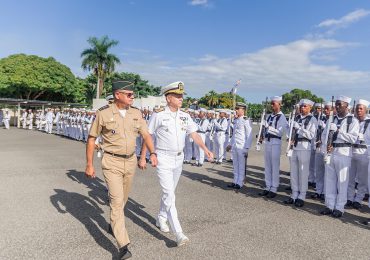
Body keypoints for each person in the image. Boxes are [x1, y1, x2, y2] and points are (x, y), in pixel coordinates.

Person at [85, 80, 157, 260]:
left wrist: (152, 153)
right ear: (118, 95)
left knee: (123, 199)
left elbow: (146, 135)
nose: (133, 97)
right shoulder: (103, 113)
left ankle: (114, 223)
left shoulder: (136, 113)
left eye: (133, 94)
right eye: (129, 94)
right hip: (111, 162)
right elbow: (92, 139)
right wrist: (89, 164)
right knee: (117, 201)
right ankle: (123, 246)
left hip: (130, 161)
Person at [139, 81, 213, 247]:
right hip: (163, 158)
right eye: (178, 96)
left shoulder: (185, 116)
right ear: (168, 98)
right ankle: (179, 233)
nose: (181, 99)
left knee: (169, 192)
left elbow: (194, 134)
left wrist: (205, 149)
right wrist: (143, 156)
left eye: (181, 96)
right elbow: (148, 135)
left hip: (179, 158)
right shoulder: (158, 115)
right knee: (170, 194)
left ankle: (161, 218)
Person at [320, 95, 359, 218]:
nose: (337, 107)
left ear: (346, 106)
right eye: (336, 104)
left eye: (339, 105)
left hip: (343, 153)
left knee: (342, 183)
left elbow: (353, 138)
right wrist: (325, 149)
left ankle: (339, 207)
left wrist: (338, 132)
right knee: (329, 181)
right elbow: (324, 136)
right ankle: (329, 205)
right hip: (331, 152)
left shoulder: (352, 121)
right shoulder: (332, 119)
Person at [284, 99, 317, 207]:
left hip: (304, 147)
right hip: (294, 147)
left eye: (305, 106)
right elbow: (290, 132)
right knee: (294, 172)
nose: (302, 108)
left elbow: (311, 135)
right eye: (301, 106)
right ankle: (294, 194)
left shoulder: (312, 119)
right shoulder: (296, 117)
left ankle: (302, 195)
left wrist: (299, 129)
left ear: (310, 108)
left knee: (303, 173)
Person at [258, 96, 288, 198]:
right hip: (268, 142)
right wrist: (262, 134)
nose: (271, 105)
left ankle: (274, 188)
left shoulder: (282, 117)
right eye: (271, 103)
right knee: (267, 166)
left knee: (275, 166)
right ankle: (267, 186)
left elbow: (280, 132)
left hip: (275, 142)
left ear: (279, 104)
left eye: (273, 104)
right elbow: (265, 128)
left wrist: (268, 128)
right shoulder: (269, 116)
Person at [346, 99, 369, 210]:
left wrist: (363, 138)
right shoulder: (352, 121)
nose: (358, 111)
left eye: (361, 109)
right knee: (350, 178)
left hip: (364, 153)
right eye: (357, 108)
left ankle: (358, 199)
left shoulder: (369, 122)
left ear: (366, 110)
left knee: (362, 179)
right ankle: (349, 198)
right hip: (351, 151)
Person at [226, 102, 253, 189]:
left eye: (238, 109)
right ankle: (235, 181)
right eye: (236, 109)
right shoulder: (236, 120)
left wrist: (247, 148)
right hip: (235, 146)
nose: (236, 110)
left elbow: (249, 135)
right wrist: (230, 144)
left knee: (241, 165)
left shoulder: (246, 120)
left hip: (242, 146)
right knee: (235, 165)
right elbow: (234, 134)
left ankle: (240, 182)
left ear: (243, 110)